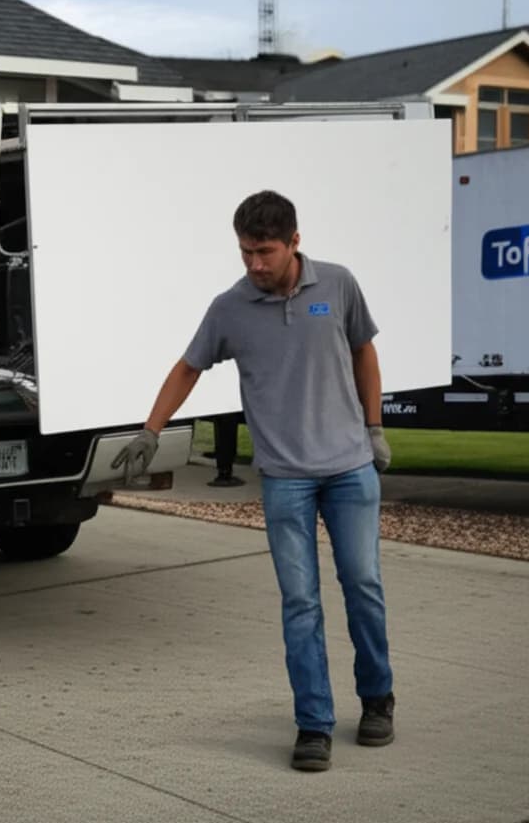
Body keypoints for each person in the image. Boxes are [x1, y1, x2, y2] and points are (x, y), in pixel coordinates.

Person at [112, 189, 395, 772]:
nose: (255, 265)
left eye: (264, 252)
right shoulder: (230, 307)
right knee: (300, 603)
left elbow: (365, 353)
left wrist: (374, 429)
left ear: (295, 242)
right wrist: (150, 429)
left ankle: (376, 698)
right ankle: (313, 723)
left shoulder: (338, 285)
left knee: (363, 586)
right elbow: (188, 366)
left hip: (349, 469)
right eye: (245, 253)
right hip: (285, 478)